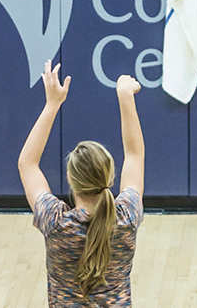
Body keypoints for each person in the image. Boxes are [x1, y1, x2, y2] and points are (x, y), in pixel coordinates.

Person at [18, 60, 144, 307]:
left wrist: (52, 104)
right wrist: (125, 96)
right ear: (110, 177)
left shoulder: (55, 222)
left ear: (70, 180)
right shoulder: (126, 216)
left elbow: (27, 164)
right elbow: (134, 155)